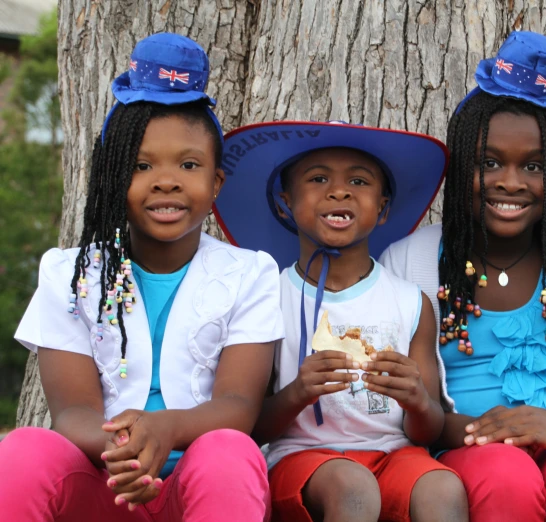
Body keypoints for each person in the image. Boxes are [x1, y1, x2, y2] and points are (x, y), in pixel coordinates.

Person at [0, 33, 284, 522]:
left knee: (229, 453)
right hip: (105, 487)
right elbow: (72, 414)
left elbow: (238, 405)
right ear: (112, 176)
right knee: (24, 450)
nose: (167, 180)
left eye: (189, 165)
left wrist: (166, 429)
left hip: (197, 489)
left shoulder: (249, 273)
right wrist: (128, 448)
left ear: (216, 182)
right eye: (141, 165)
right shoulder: (69, 274)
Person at [380, 31, 546, 521]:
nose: (511, 182)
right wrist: (489, 433)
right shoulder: (411, 261)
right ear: (461, 165)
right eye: (489, 163)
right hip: (466, 445)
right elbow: (407, 405)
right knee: (507, 477)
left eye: (533, 166)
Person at [214, 121, 468, 522]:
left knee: (443, 488)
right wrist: (297, 392)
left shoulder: (409, 303)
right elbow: (250, 424)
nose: (339, 191)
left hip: (394, 455)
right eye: (317, 179)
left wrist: (416, 398)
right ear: (284, 203)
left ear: (383, 208)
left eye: (359, 181)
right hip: (301, 458)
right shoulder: (267, 298)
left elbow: (429, 430)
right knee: (351, 488)